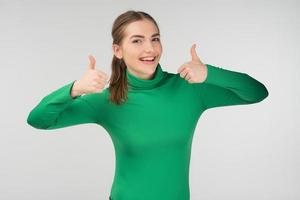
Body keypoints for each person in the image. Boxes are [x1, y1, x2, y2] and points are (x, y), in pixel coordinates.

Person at [27, 10, 269, 200]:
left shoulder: (189, 89)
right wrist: (74, 89)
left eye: (155, 39)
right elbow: (38, 120)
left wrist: (210, 73)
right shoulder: (106, 99)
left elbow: (257, 92)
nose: (150, 49)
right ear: (117, 50)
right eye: (137, 41)